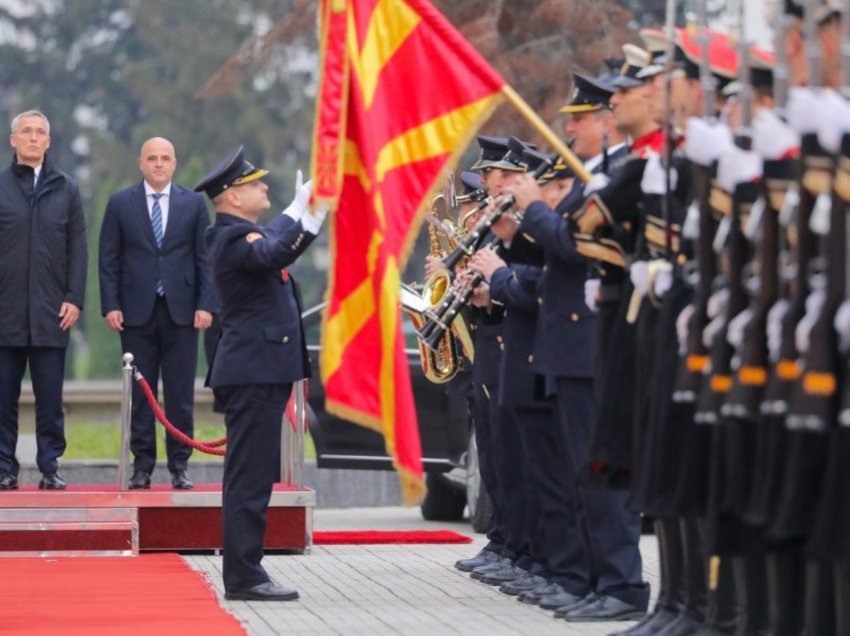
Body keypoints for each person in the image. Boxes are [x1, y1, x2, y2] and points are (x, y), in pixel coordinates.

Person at [195, 146, 324, 601]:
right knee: (249, 477)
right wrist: (309, 221)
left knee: (252, 474)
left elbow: (268, 237)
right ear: (231, 197)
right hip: (252, 372)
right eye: (254, 184)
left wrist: (296, 209)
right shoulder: (229, 238)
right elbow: (270, 251)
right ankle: (245, 576)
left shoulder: (241, 234)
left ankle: (247, 569)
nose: (264, 187)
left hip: (257, 371)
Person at [99, 137, 215, 490]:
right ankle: (142, 467)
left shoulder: (194, 204)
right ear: (141, 163)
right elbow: (108, 260)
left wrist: (206, 304)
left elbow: (205, 259)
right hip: (135, 313)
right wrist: (111, 304)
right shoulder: (121, 204)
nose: (159, 164)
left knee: (180, 393)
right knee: (141, 395)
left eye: (165, 158)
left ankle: (180, 465)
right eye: (152, 158)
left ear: (174, 163)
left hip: (182, 313)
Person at [0, 110, 87, 491]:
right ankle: (5, 467)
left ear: (49, 142)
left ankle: (50, 466)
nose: (33, 138)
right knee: (3, 399)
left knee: (50, 399)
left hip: (53, 312)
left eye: (40, 133)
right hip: (6, 312)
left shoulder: (67, 189)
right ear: (13, 140)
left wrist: (75, 298)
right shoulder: (0, 186)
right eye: (26, 132)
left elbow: (78, 248)